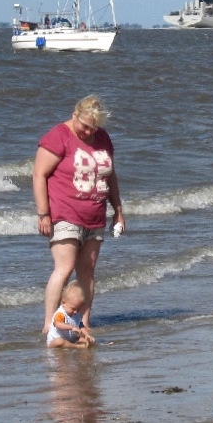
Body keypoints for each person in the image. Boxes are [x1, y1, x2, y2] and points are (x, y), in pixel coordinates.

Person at [34, 94, 126, 336]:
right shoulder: (58, 136)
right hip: (64, 213)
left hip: (95, 215)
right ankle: (49, 324)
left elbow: (111, 177)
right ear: (75, 115)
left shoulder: (103, 138)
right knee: (64, 268)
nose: (88, 132)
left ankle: (82, 324)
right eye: (84, 126)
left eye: (93, 128)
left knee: (88, 271)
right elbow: (39, 175)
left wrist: (118, 210)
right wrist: (43, 214)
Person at [46, 280, 95, 348]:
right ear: (63, 303)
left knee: (85, 340)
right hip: (55, 340)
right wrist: (72, 327)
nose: (76, 312)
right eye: (73, 309)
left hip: (70, 339)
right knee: (59, 342)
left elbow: (81, 326)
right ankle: (76, 347)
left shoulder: (76, 314)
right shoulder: (61, 313)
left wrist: (87, 334)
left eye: (78, 309)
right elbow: (58, 324)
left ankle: (74, 344)